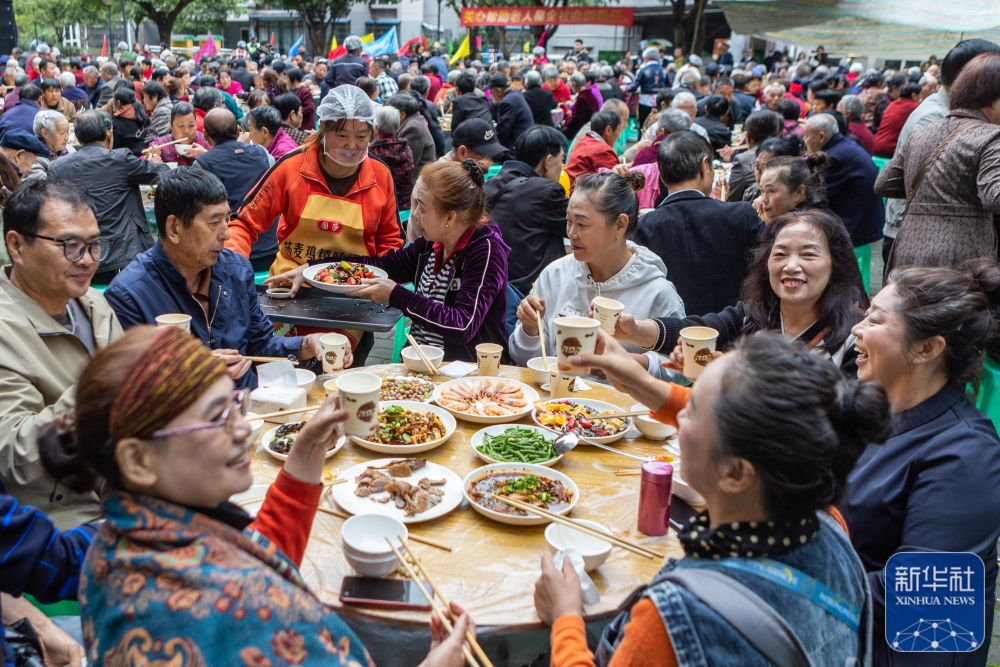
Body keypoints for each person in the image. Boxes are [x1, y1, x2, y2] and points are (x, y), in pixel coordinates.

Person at [39, 325, 474, 665]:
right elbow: (247, 587)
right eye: (216, 418)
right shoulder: (241, 609)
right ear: (137, 460)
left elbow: (254, 555)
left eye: (236, 405)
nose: (244, 428)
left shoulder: (115, 544)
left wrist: (304, 457)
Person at [536, 331, 889, 666]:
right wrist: (638, 381)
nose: (680, 414)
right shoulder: (828, 524)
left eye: (691, 411)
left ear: (735, 473)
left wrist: (565, 619)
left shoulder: (671, 618)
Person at [844, 260, 1000, 666]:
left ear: (928, 348)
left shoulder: (965, 454)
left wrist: (780, 578)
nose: (856, 330)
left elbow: (923, 599)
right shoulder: (872, 409)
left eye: (875, 320)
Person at [104, 170, 330, 389]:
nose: (226, 233)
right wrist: (198, 372)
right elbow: (132, 388)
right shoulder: (130, 294)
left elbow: (260, 345)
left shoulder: (236, 270)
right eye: (214, 223)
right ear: (174, 228)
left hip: (250, 409)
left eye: (227, 219)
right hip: (185, 419)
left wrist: (304, 345)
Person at [268, 160, 510, 362]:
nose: (414, 214)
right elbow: (381, 266)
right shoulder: (431, 243)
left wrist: (396, 295)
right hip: (419, 361)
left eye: (422, 208)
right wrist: (312, 269)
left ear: (449, 217)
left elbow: (462, 325)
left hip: (466, 373)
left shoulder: (486, 250)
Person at [228, 86, 403, 359]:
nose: (352, 146)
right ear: (323, 131)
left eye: (361, 137)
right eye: (342, 135)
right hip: (290, 292)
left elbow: (391, 242)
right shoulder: (291, 167)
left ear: (373, 134)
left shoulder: (379, 175)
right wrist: (233, 272)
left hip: (352, 298)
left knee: (336, 375)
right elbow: (243, 224)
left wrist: (381, 285)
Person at [0, 180, 122, 528]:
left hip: (123, 489)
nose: (86, 261)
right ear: (17, 246)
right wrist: (100, 387)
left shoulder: (93, 303)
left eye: (94, 245)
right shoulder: (6, 330)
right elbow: (14, 456)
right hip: (62, 523)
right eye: (69, 245)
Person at [620, 209, 867, 377]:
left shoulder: (855, 340)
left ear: (836, 264)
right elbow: (700, 330)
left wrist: (729, 375)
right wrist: (633, 330)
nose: (791, 266)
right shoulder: (756, 314)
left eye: (808, 254)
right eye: (780, 254)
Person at [510, 169, 683, 367]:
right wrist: (530, 329)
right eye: (568, 221)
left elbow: (680, 368)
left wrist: (632, 363)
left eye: (582, 224)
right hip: (559, 397)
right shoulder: (555, 275)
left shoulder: (657, 292)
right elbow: (525, 361)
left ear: (620, 225)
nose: (572, 234)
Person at [877, 52, 1000, 273]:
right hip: (961, 257)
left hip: (908, 248)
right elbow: (996, 196)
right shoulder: (991, 135)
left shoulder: (923, 132)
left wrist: (934, 196)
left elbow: (884, 184)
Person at [636, 131, 762, 316]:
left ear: (661, 175)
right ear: (705, 166)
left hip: (668, 334)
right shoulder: (741, 215)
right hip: (734, 328)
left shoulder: (643, 227)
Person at [48, 111, 169, 284]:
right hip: (124, 254)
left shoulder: (57, 168)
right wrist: (157, 162)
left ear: (79, 138)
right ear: (109, 133)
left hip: (79, 255)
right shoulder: (121, 159)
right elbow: (161, 174)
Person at [485, 124, 568, 295]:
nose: (562, 166)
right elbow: (577, 227)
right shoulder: (547, 191)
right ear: (548, 161)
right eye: (561, 159)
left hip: (492, 283)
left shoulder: (491, 184)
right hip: (529, 292)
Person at [803, 113, 883, 247]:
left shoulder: (835, 157)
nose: (804, 140)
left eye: (806, 135)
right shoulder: (845, 145)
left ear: (821, 137)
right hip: (865, 220)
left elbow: (816, 196)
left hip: (855, 227)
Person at [194, 108, 272, 215]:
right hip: (268, 225)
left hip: (232, 227)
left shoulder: (203, 164)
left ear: (205, 135)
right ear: (238, 130)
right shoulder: (262, 153)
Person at [727, 110, 783, 202]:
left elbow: (732, 199)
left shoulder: (743, 159)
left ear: (748, 137)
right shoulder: (786, 151)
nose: (757, 173)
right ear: (777, 133)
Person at [369, 105, 415, 213]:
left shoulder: (373, 152)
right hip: (405, 205)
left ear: (377, 128)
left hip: (382, 207)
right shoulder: (405, 148)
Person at [565, 110, 622, 189]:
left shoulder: (584, 140)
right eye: (619, 131)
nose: (619, 136)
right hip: (579, 196)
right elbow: (616, 182)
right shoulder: (603, 150)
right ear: (608, 130)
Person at [145, 102, 210, 166]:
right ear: (171, 125)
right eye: (181, 126)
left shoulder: (204, 140)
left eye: (191, 125)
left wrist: (205, 155)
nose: (186, 131)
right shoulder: (161, 144)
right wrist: (151, 159)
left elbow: (218, 161)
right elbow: (142, 163)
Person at [440, 117, 508, 174]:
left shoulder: (463, 172)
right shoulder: (443, 181)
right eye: (484, 156)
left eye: (490, 156)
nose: (490, 162)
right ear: (463, 152)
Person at [388, 92, 436, 170]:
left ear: (402, 114)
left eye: (391, 113)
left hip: (418, 177)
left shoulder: (413, 128)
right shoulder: (415, 120)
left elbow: (407, 162)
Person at [872, 82, 921, 157]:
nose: (920, 98)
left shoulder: (892, 104)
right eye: (919, 95)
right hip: (890, 150)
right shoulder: (914, 106)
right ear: (914, 95)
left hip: (876, 144)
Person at [489, 74, 533, 149]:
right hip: (526, 140)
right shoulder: (515, 95)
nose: (491, 94)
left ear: (499, 90)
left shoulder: (507, 102)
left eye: (491, 91)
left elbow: (502, 132)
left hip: (518, 147)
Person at [630, 47, 667, 127]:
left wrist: (623, 87)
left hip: (645, 101)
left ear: (646, 57)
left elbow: (634, 86)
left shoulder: (643, 69)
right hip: (660, 101)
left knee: (643, 125)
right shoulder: (664, 70)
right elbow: (669, 85)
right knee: (658, 125)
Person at [109, 86, 150, 157]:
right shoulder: (142, 114)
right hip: (150, 154)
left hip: (132, 160)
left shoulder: (116, 122)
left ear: (118, 103)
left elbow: (115, 150)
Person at [562, 72, 600, 140]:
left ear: (574, 84)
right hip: (590, 126)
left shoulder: (582, 98)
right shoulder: (590, 94)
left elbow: (575, 119)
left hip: (582, 130)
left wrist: (566, 121)